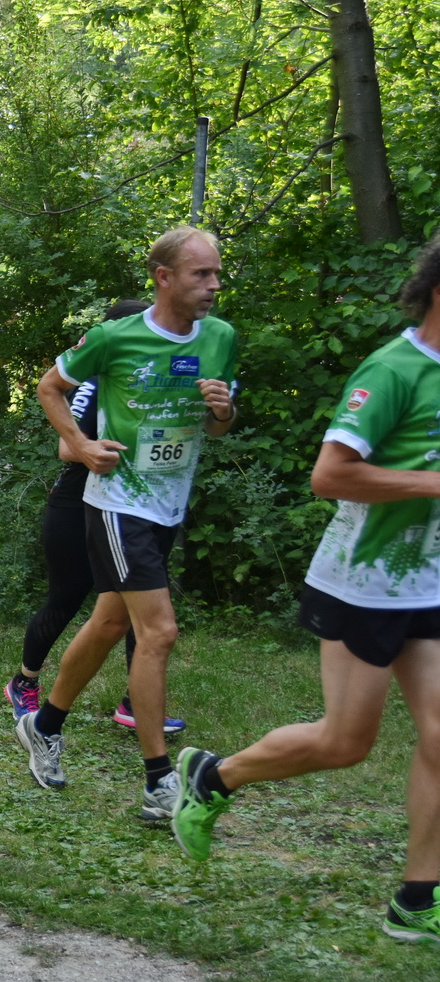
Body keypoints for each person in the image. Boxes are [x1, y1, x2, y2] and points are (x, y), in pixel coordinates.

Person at [168, 238, 440, 943]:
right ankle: (215, 776)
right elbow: (331, 474)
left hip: (430, 582)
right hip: (362, 582)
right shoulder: (394, 370)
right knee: (346, 742)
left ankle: (417, 897)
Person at [14, 226, 238, 818]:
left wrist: (222, 411)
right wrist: (81, 448)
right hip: (118, 501)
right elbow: (49, 388)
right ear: (164, 278)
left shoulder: (220, 337)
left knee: (112, 621)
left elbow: (219, 426)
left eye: (216, 273)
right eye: (201, 274)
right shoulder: (115, 338)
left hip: (169, 502)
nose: (214, 285)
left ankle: (45, 724)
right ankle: (159, 780)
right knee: (158, 632)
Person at [4, 300, 171, 730]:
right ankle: (24, 683)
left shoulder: (152, 380)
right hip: (75, 505)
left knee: (141, 604)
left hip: (128, 509)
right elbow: (65, 448)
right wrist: (98, 448)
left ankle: (135, 703)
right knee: (67, 598)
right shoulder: (93, 380)